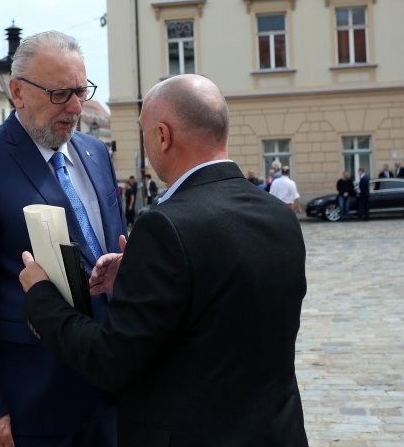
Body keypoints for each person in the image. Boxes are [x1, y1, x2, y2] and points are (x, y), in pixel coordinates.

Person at [19, 74, 308, 445]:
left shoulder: (166, 225)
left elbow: (110, 360)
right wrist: (139, 272)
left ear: (162, 136)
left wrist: (41, 296)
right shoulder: (278, 214)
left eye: (144, 133)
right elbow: (222, 301)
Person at [0, 30, 126, 446]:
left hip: (114, 390)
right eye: (61, 94)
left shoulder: (96, 155)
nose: (76, 107)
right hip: (34, 397)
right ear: (18, 91)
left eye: (81, 91)